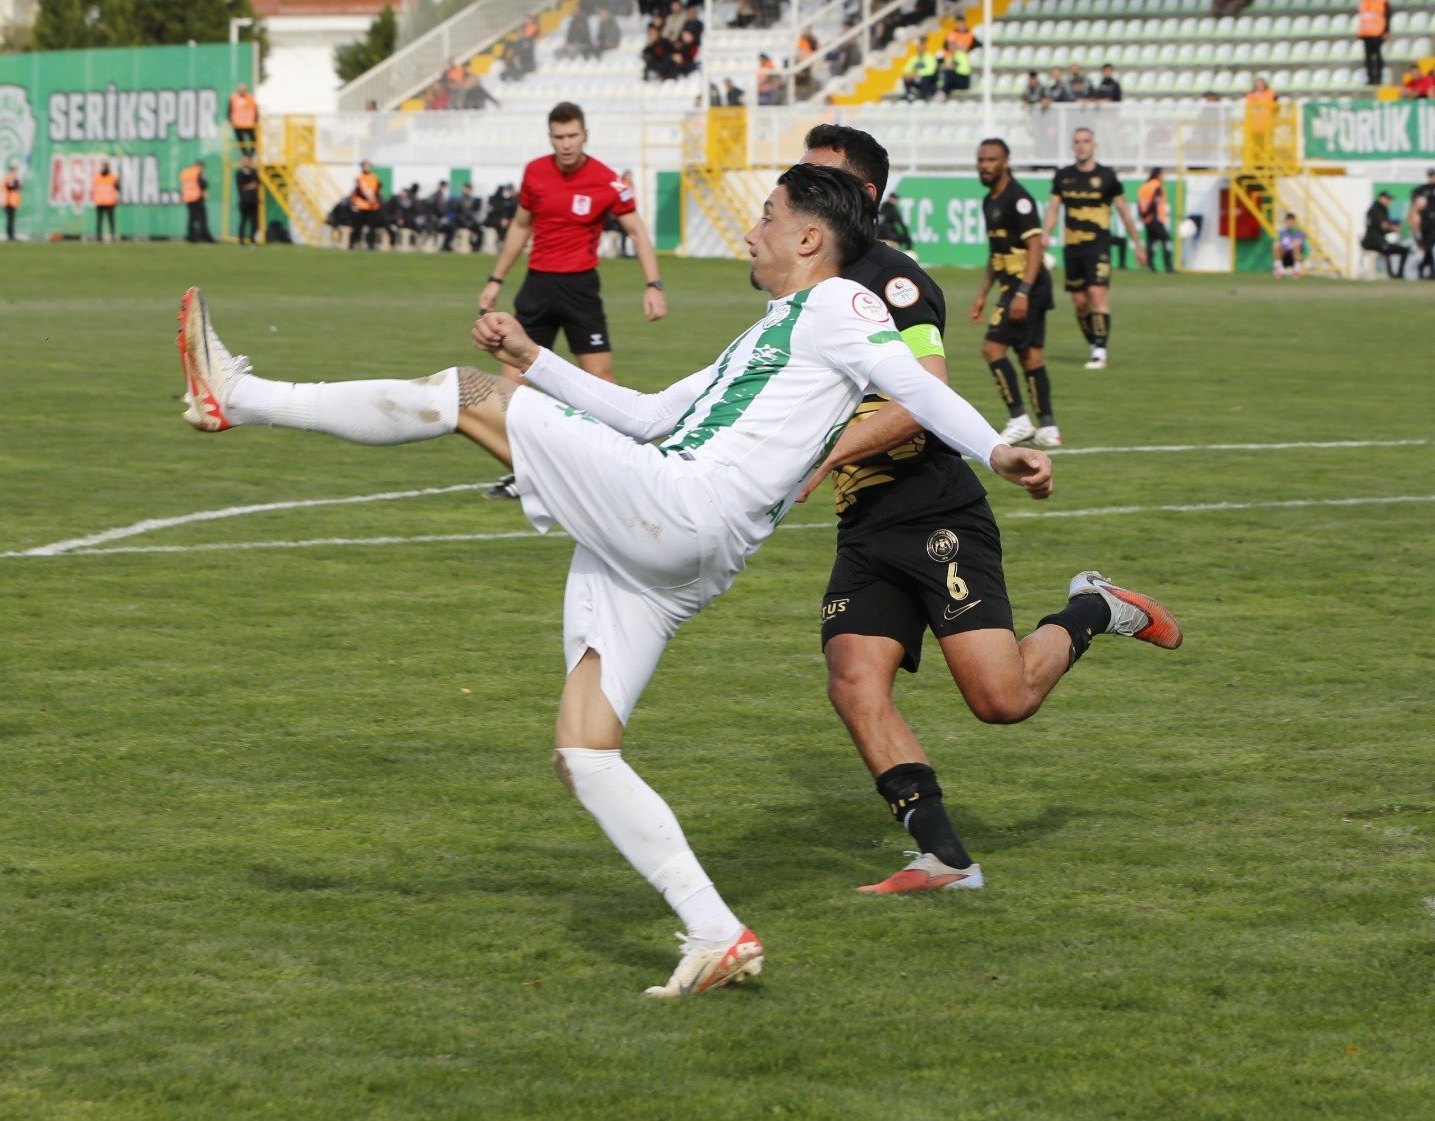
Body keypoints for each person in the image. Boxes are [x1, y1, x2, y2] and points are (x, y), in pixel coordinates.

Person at [177, 162, 1079, 996]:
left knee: (463, 392)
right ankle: (713, 932)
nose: (754, 229)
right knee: (584, 749)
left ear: (809, 238)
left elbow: (916, 387)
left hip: (682, 509)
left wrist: (999, 447)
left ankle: (240, 395)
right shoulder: (782, 323)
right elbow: (649, 414)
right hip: (673, 541)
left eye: (768, 216)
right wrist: (537, 360)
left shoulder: (843, 305)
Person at [796, 125, 1183, 893]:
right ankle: (943, 856)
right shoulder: (805, 291)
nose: (798, 194)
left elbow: (925, 396)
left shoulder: (891, 280)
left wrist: (827, 454)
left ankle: (1098, 608)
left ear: (861, 196)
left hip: (930, 506)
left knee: (1001, 699)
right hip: (863, 521)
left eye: (818, 180)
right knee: (852, 678)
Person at [476, 102, 667, 497]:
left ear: (585, 136)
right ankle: (525, 474)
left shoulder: (607, 181)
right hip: (537, 287)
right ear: (551, 138)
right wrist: (496, 279)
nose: (565, 144)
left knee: (600, 380)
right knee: (512, 384)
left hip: (580, 289)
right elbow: (520, 226)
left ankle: (619, 470)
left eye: (572, 136)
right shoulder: (534, 172)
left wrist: (654, 284)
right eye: (558, 137)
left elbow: (637, 232)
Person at [971, 138, 1059, 448]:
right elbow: (997, 255)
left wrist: (1022, 291)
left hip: (1027, 286)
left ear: (1005, 163)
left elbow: (1035, 246)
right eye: (981, 160)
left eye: (992, 160)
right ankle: (1048, 427)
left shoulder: (1017, 199)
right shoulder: (989, 201)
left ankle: (1019, 419)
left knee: (992, 349)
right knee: (1030, 355)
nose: (985, 165)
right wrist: (983, 294)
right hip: (1015, 285)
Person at [1043, 128, 1148, 372]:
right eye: (1077, 142)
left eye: (1086, 141)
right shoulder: (1063, 176)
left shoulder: (1107, 176)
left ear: (1094, 145)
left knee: (1096, 294)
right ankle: (1094, 343)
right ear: (1073, 146)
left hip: (1098, 246)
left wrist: (1138, 244)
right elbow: (1053, 209)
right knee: (1080, 303)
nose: (1082, 146)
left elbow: (1123, 211)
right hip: (1072, 248)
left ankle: (1100, 350)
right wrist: (1045, 233)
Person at [1362, 190, 1410, 278]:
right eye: (1388, 199)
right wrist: (1394, 228)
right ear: (1382, 198)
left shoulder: (1373, 208)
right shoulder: (1379, 209)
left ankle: (1393, 274)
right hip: (1375, 242)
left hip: (1371, 241)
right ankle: (1398, 275)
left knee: (1389, 250)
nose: (1389, 201)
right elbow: (1384, 226)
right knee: (1404, 250)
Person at [1137, 167, 1174, 273]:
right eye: (1163, 174)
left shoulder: (1144, 186)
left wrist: (1143, 216)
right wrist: (1151, 214)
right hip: (1155, 218)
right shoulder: (1157, 186)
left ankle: (1150, 266)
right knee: (1166, 240)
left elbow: (1139, 202)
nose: (1164, 176)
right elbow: (1155, 202)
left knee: (1152, 242)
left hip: (1146, 219)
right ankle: (1168, 266)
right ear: (1158, 174)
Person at [349, 160, 384, 250]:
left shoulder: (374, 177)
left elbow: (378, 188)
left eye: (369, 166)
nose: (367, 168)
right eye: (365, 166)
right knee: (357, 227)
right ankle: (353, 243)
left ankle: (371, 245)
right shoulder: (359, 177)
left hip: (372, 207)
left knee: (372, 227)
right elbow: (359, 191)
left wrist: (376, 199)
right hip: (361, 206)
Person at [1357, 0, 1390, 87]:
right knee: (1368, 58)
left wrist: (1386, 31)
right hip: (1366, 33)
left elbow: (1387, 15)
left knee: (1377, 57)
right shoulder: (1364, 2)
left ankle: (1378, 78)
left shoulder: (1382, 2)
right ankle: (1370, 78)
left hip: (1377, 33)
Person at [1410, 168, 1435, 279]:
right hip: (1427, 223)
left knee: (1430, 247)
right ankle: (1429, 270)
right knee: (1428, 247)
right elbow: (1416, 207)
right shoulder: (1422, 190)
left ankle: (1424, 268)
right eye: (1431, 176)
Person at [181, 160, 212, 244]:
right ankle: (205, 236)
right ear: (200, 166)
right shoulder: (198, 173)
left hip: (188, 198)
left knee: (191, 219)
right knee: (202, 219)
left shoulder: (186, 172)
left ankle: (191, 237)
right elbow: (204, 184)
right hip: (197, 198)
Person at [235, 153, 260, 246]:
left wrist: (249, 185)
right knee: (243, 221)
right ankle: (241, 241)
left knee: (254, 222)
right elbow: (242, 186)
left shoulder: (254, 172)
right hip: (244, 201)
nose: (246, 161)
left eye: (247, 160)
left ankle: (253, 241)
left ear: (250, 161)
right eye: (244, 160)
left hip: (253, 201)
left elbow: (257, 183)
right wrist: (251, 185)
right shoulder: (239, 173)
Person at [92, 160, 119, 242]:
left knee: (108, 220)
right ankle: (100, 236)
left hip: (108, 201)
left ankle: (108, 235)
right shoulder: (110, 177)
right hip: (103, 201)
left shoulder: (112, 177)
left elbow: (118, 188)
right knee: (102, 220)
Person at [1273, 212, 1307, 277]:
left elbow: (1307, 249)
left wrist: (1302, 258)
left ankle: (1297, 269)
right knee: (1276, 244)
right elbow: (1277, 247)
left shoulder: (1301, 233)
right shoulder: (1282, 233)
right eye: (1287, 220)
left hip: (1295, 258)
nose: (1289, 222)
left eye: (1291, 220)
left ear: (1294, 221)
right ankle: (1278, 268)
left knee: (1296, 244)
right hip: (1284, 257)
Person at [229, 82, 258, 155]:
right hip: (238, 125)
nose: (242, 91)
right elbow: (230, 110)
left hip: (249, 124)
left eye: (244, 89)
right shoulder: (234, 98)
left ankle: (251, 155)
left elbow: (255, 110)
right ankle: (245, 155)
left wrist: (255, 120)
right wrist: (231, 121)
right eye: (241, 89)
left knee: (253, 140)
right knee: (241, 142)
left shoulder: (250, 97)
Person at [0, 162, 21, 242]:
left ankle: (11, 235)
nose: (16, 172)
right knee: (10, 219)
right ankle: (10, 235)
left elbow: (17, 187)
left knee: (11, 219)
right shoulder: (9, 178)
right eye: (15, 170)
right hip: (8, 202)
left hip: (13, 202)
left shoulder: (14, 179)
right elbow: (10, 187)